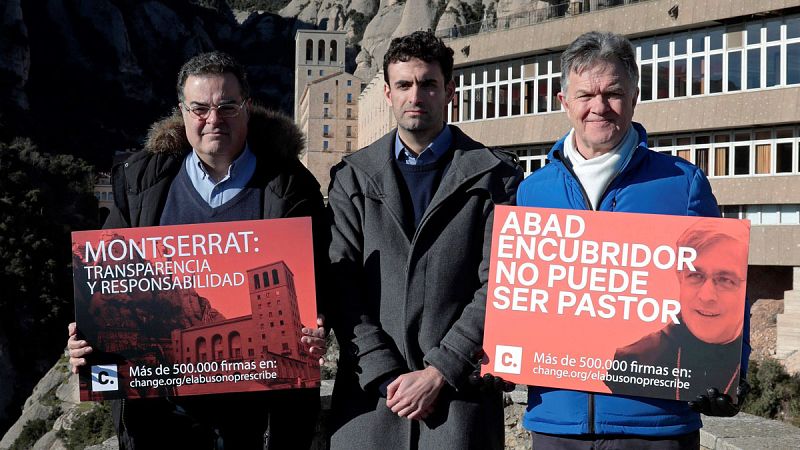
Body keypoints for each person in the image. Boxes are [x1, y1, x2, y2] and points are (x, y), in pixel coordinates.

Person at [67, 51, 329, 450]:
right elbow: (104, 279)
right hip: (161, 416)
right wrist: (86, 342)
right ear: (182, 112)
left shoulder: (291, 187)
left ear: (247, 107)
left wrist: (317, 325)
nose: (213, 119)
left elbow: (323, 279)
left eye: (227, 106)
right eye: (200, 108)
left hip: (256, 416)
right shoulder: (143, 185)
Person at [515, 31, 751, 449]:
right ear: (563, 101)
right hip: (557, 423)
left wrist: (730, 377)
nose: (599, 107)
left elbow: (729, 283)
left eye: (613, 93)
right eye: (586, 94)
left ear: (635, 97)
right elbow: (519, 295)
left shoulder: (682, 184)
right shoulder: (532, 190)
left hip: (655, 425)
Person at [326, 30, 523, 449]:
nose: (416, 95)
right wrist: (387, 375)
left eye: (428, 83)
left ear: (449, 90)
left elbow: (502, 285)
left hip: (458, 404)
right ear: (387, 92)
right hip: (372, 404)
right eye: (404, 84)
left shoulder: (495, 177)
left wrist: (440, 371)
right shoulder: (353, 177)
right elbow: (341, 285)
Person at [606, 220, 749, 401]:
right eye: (695, 275)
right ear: (679, 277)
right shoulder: (636, 358)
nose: (707, 296)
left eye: (725, 280)